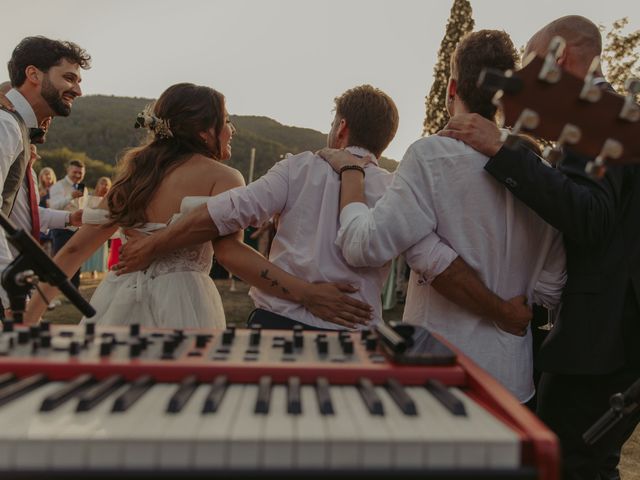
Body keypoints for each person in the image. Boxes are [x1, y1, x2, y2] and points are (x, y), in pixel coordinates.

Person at [437, 15, 640, 480]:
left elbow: (590, 215)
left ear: (557, 57)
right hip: (621, 342)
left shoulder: (596, 111)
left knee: (563, 466)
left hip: (599, 346)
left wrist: (501, 149)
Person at [318, 30, 566, 404]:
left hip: (438, 373)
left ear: (452, 89)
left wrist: (351, 174)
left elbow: (362, 247)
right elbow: (551, 287)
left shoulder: (430, 156)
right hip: (512, 381)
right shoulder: (540, 169)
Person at [24, 83, 371, 330]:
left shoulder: (133, 177)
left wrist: (30, 318)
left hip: (115, 301)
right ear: (206, 132)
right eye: (226, 119)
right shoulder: (223, 177)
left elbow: (72, 251)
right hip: (185, 304)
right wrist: (306, 293)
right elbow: (232, 254)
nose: (231, 129)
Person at [115, 85, 462, 331]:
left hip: (277, 328)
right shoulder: (395, 189)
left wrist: (153, 244)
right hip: (354, 338)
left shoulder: (298, 168)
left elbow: (223, 213)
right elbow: (432, 261)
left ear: (341, 129)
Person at [0, 37, 89, 317]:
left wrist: (68, 218)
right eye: (69, 78)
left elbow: (14, 211)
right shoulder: (5, 126)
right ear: (33, 74)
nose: (78, 90)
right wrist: (6, 293)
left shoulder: (15, 128)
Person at [48, 158, 88, 288]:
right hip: (61, 228)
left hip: (78, 229)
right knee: (60, 260)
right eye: (75, 172)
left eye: (80, 173)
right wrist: (70, 196)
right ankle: (51, 290)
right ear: (68, 170)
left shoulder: (84, 188)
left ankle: (74, 290)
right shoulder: (57, 186)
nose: (77, 175)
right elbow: (53, 207)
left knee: (76, 260)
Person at [81, 177, 112, 277]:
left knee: (99, 251)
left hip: (102, 228)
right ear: (98, 185)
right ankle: (82, 269)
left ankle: (95, 269)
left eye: (107, 184)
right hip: (90, 228)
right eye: (102, 183)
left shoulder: (109, 200)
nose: (104, 186)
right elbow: (85, 210)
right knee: (87, 249)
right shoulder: (90, 197)